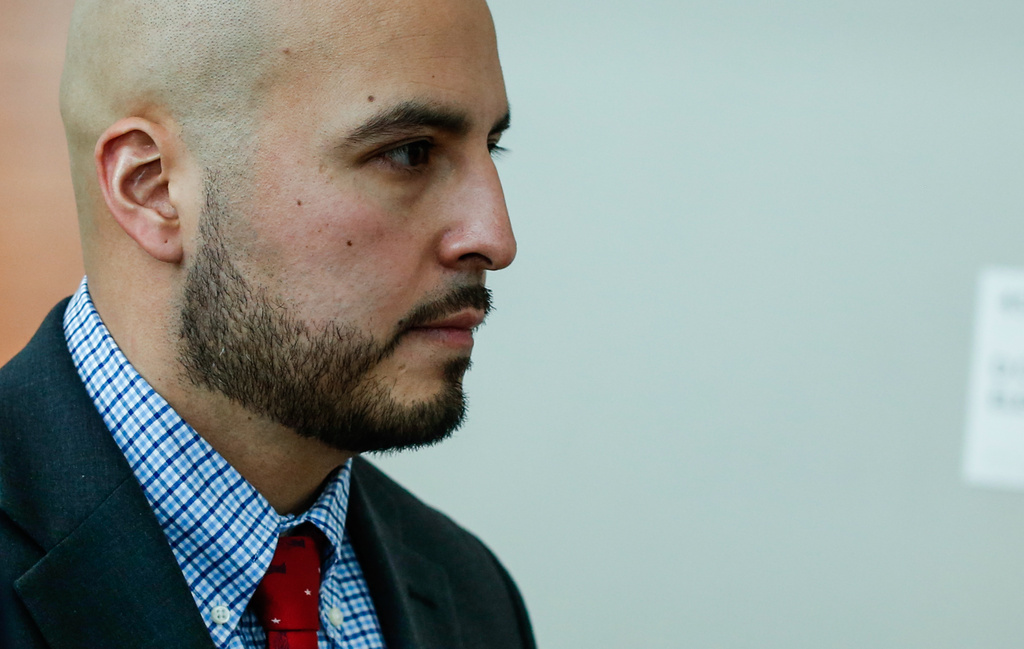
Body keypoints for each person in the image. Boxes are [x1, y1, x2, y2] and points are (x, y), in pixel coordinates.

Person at [0, 0, 535, 646]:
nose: (495, 238)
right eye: (410, 153)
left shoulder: (469, 593)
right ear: (154, 187)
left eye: (491, 147)